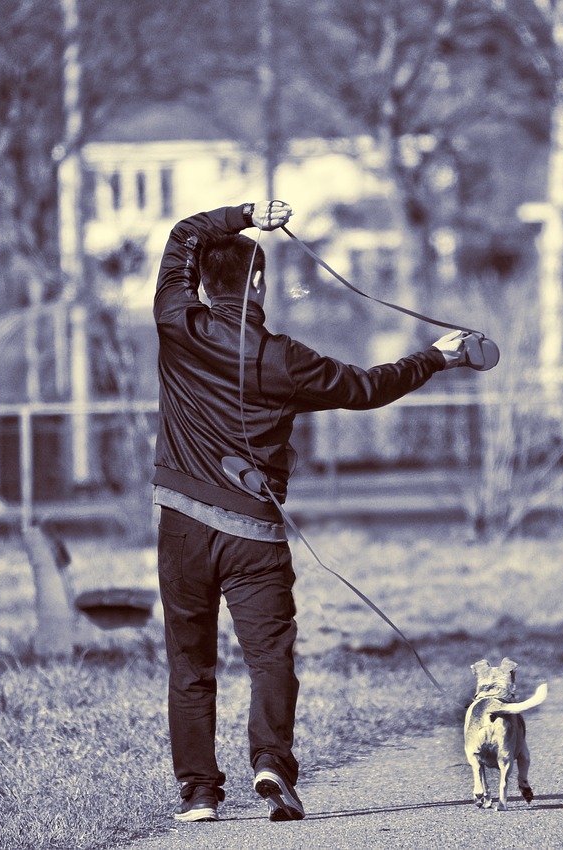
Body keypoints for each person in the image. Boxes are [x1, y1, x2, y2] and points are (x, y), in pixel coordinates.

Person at [152, 200, 477, 823]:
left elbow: (183, 234)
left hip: (183, 527)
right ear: (257, 282)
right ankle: (271, 762)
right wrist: (437, 356)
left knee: (190, 663)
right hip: (253, 534)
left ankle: (198, 793)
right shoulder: (285, 359)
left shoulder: (176, 324)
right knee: (270, 655)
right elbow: (368, 387)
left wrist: (247, 212)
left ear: (201, 281)